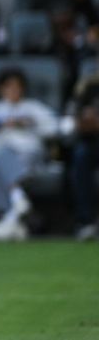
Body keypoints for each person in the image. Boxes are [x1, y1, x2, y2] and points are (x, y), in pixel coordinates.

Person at [0, 67, 57, 241]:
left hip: (29, 154)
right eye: (8, 87)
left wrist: (29, 123)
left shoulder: (32, 107)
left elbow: (55, 128)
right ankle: (17, 211)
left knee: (1, 168)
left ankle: (12, 211)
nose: (13, 91)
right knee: (0, 157)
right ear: (0, 89)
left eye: (17, 87)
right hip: (1, 154)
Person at [68, 69, 99, 240]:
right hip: (93, 142)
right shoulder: (89, 86)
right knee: (81, 156)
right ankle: (86, 222)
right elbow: (77, 119)